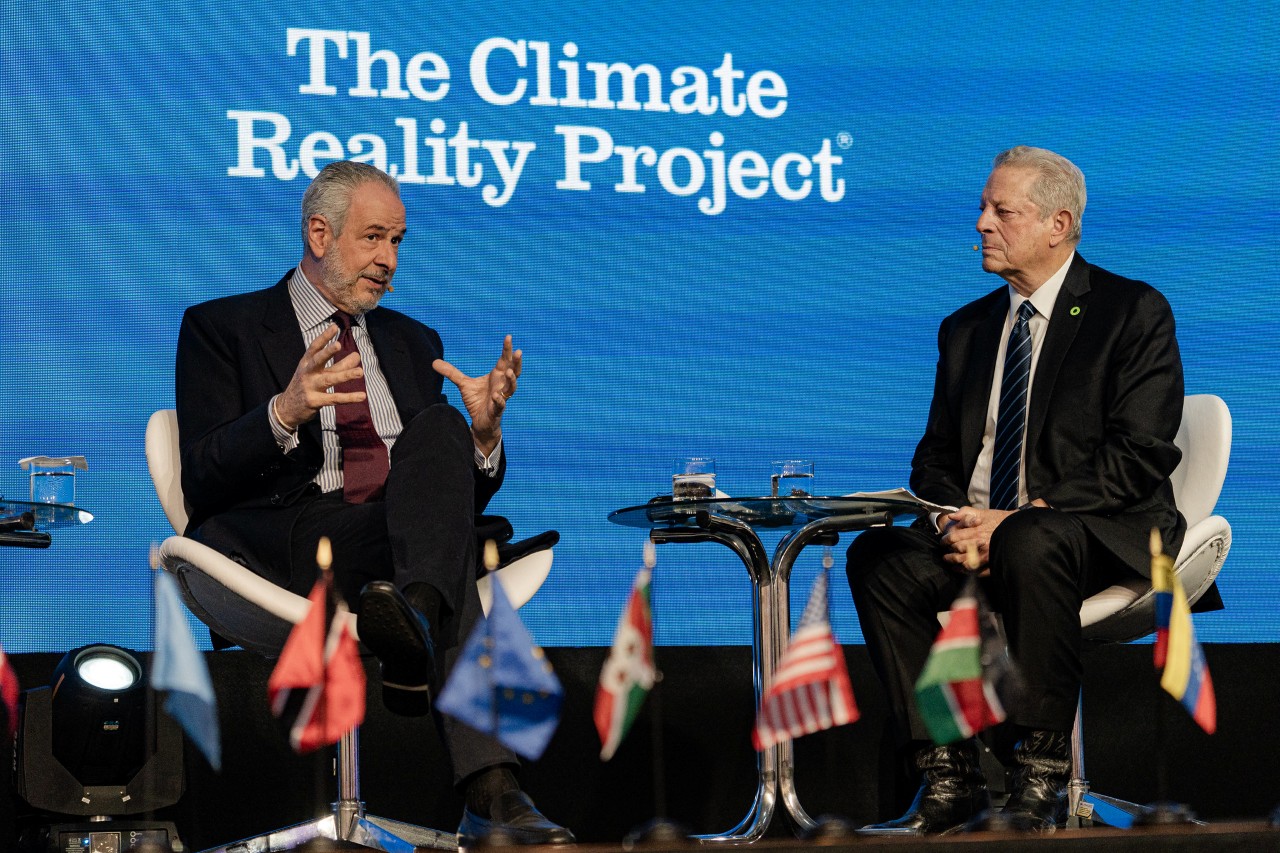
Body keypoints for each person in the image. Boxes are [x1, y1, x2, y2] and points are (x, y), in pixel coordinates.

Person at [175, 160, 573, 846]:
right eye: (374, 238)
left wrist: (481, 439)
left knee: (443, 427)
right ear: (320, 232)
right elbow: (202, 478)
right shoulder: (223, 328)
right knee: (443, 561)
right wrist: (283, 411)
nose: (389, 260)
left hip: (400, 539)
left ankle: (413, 611)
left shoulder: (414, 342)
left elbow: (444, 496)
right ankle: (490, 792)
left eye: (398, 241)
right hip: (296, 540)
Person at [846, 146, 1194, 834]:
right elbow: (936, 457)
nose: (981, 223)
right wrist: (953, 519)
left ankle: (1039, 769)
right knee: (878, 557)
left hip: (1092, 530)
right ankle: (948, 776)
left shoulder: (1131, 310)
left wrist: (1010, 519)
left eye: (1001, 210)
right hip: (977, 533)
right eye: (983, 207)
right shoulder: (966, 329)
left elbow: (1139, 455)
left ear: (1058, 223)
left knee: (1033, 538)